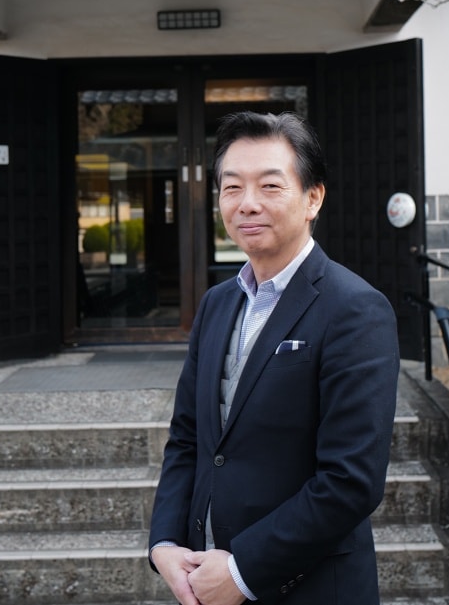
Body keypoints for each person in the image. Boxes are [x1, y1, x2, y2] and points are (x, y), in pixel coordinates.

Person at [148, 110, 400, 605]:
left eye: (269, 186)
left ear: (313, 198)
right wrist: (165, 543)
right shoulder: (218, 304)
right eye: (232, 187)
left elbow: (350, 482)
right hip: (204, 580)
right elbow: (188, 440)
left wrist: (242, 571)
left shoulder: (355, 309)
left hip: (310, 588)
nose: (247, 204)